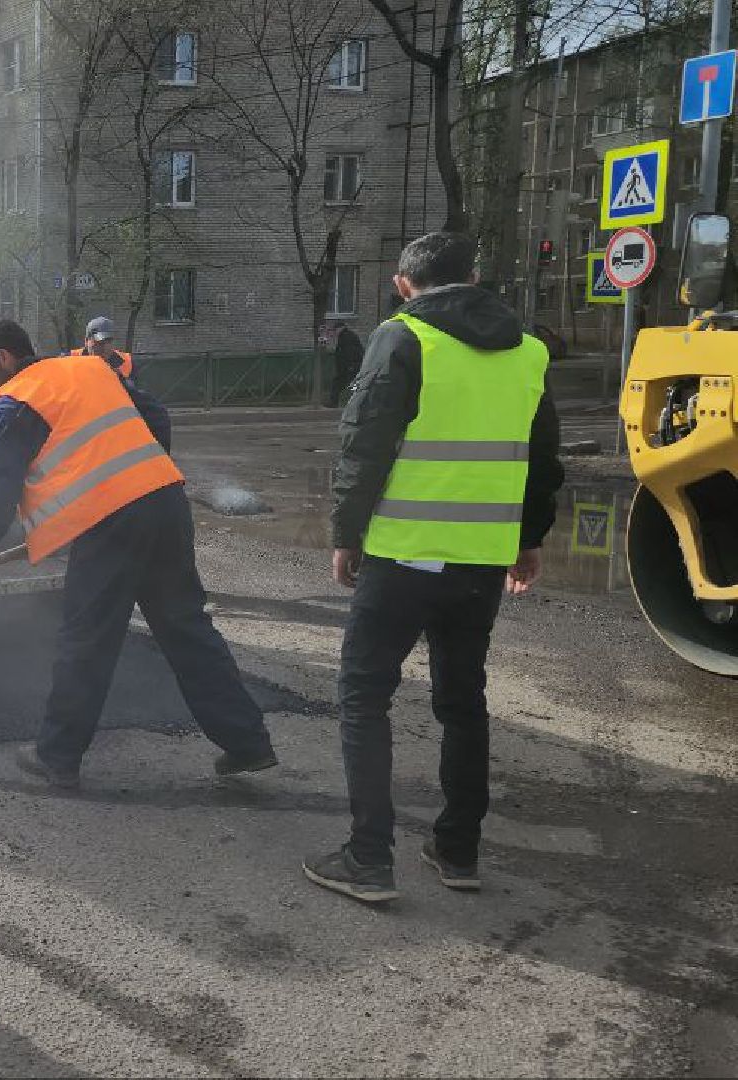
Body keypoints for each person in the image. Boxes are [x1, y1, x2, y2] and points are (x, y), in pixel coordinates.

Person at [305, 232, 563, 904]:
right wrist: (528, 539)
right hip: (481, 561)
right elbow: (542, 456)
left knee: (363, 697)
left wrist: (345, 535)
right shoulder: (528, 349)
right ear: (473, 277)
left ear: (402, 284)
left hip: (403, 553)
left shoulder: (402, 337)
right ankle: (457, 851)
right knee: (462, 702)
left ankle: (368, 859)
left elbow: (364, 443)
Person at [0, 318, 277, 789]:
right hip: (164, 502)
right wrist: (142, 478)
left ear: (5, 358)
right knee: (187, 629)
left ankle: (56, 757)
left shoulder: (16, 400)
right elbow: (156, 417)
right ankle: (248, 742)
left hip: (109, 522)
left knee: (86, 639)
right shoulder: (91, 369)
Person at [326, 322, 365, 407]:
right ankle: (357, 402)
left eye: (335, 330)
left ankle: (336, 402)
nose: (335, 332)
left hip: (349, 366)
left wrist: (350, 365)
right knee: (348, 384)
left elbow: (349, 352)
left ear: (340, 328)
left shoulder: (346, 337)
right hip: (349, 366)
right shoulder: (346, 336)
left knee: (343, 384)